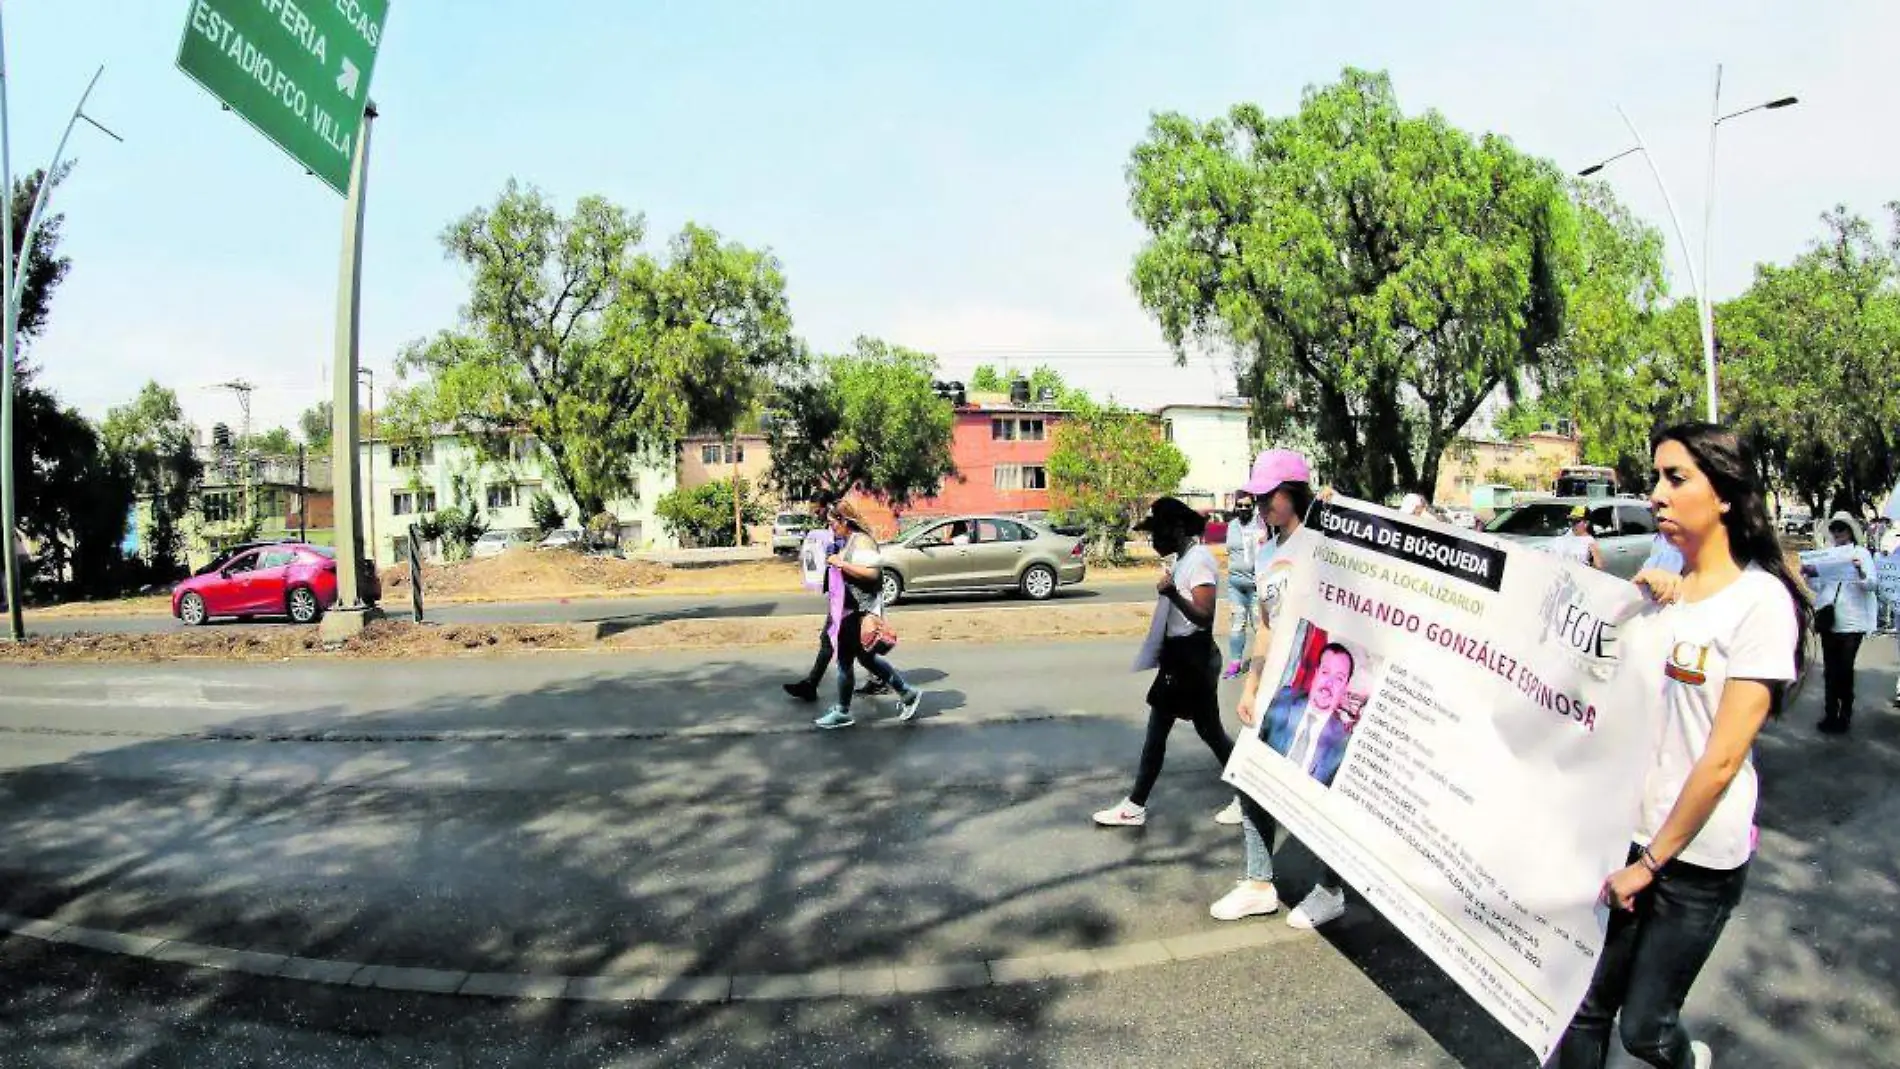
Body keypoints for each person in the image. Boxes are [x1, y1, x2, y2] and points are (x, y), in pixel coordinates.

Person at [1553, 422, 1808, 1069]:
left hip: (1697, 858)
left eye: (1676, 477)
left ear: (1723, 492)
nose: (1658, 494)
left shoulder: (1760, 602)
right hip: (1628, 833)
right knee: (1582, 1008)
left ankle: (1686, 1059)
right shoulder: (1659, 585)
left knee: (1644, 1028)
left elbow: (1721, 759)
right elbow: (1596, 685)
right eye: (1655, 478)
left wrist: (1651, 863)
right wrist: (1634, 600)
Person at [1210, 448, 1351, 930]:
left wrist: (1339, 512)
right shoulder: (1266, 552)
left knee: (1318, 793)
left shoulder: (1324, 544)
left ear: (1293, 494)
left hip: (1321, 689)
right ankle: (1259, 883)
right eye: (1257, 497)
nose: (1261, 506)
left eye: (1269, 496)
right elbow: (1265, 627)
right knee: (1251, 780)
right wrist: (1251, 687)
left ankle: (1331, 890)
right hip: (1277, 688)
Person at [1093, 496, 1230, 828]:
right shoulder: (1185, 558)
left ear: (1179, 529)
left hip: (1190, 660)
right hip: (1182, 658)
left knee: (1160, 731)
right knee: (1210, 732)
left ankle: (1136, 804)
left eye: (1158, 532)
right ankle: (1249, 793)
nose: (1153, 540)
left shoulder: (1199, 560)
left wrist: (1172, 594)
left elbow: (1205, 615)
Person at [813, 500, 924, 729]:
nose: (831, 528)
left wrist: (841, 564)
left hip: (858, 612)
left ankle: (844, 711)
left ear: (843, 520)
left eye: (833, 523)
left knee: (844, 661)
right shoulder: (850, 539)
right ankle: (907, 693)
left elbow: (873, 575)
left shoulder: (862, 541)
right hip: (850, 610)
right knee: (866, 659)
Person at [1805, 518, 1875, 735]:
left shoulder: (1861, 554)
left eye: (1841, 529)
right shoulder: (1826, 554)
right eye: (1834, 529)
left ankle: (1844, 714)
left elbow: (1872, 583)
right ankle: (1829, 713)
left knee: (1844, 670)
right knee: (1830, 670)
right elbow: (1818, 587)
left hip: (1852, 622)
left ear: (1850, 531)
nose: (1837, 533)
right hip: (1829, 619)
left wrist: (1859, 572)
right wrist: (1809, 575)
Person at [1263, 641, 1360, 787]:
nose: (1329, 683)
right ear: (1316, 673)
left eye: (1339, 678)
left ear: (1345, 687)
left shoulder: (1343, 743)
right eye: (1325, 672)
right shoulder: (1284, 699)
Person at [1223, 492, 1268, 678]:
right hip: (1236, 586)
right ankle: (1235, 663)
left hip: (1256, 585)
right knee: (1237, 624)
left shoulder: (1261, 524)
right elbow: (1230, 552)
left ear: (1253, 506)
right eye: (1239, 505)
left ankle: (1264, 663)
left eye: (1247, 505)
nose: (1243, 509)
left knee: (1259, 625)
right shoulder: (1231, 526)